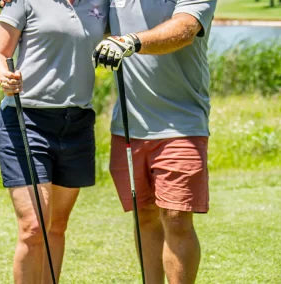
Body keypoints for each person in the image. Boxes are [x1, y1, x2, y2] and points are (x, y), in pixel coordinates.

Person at [92, 1, 217, 283]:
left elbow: (184, 29)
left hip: (181, 124)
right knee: (144, 216)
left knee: (175, 216)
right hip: (128, 126)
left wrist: (130, 41)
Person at [0, 0, 109, 283]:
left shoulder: (102, 3)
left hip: (77, 124)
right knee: (34, 227)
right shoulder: (23, 1)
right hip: (26, 120)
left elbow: (130, 23)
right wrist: (4, 76)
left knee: (56, 226)